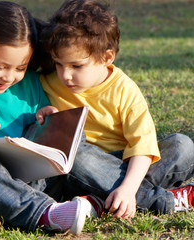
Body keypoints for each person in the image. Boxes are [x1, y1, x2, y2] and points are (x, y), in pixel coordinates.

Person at [0, 1, 103, 236]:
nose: (9, 77)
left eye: (20, 67)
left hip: (36, 182)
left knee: (73, 135)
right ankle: (45, 213)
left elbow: (43, 133)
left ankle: (112, 196)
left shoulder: (30, 82)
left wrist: (49, 120)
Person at [39, 0, 194, 219]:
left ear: (107, 57)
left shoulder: (124, 90)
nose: (65, 75)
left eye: (76, 66)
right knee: (78, 157)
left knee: (183, 145)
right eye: (58, 64)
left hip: (125, 165)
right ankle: (162, 200)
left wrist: (129, 188)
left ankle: (102, 200)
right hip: (79, 169)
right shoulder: (48, 81)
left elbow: (142, 147)